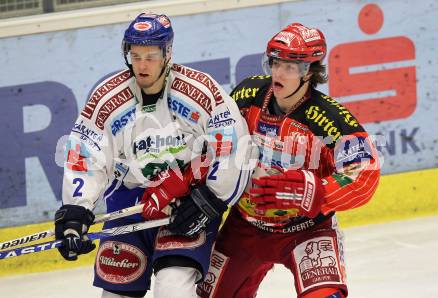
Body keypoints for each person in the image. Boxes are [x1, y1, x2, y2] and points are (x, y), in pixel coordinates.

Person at [53, 13, 253, 298]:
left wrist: (210, 200)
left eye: (150, 55)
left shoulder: (200, 91)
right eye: (135, 55)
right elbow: (86, 153)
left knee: (172, 289)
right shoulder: (108, 98)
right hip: (129, 199)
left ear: (167, 53)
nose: (142, 65)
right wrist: (76, 210)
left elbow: (232, 143)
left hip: (185, 202)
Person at [197, 23, 380, 298]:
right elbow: (216, 143)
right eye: (275, 63)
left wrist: (315, 191)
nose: (278, 73)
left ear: (310, 72)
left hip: (308, 230)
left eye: (290, 67)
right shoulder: (248, 94)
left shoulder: (330, 118)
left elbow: (364, 174)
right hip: (245, 226)